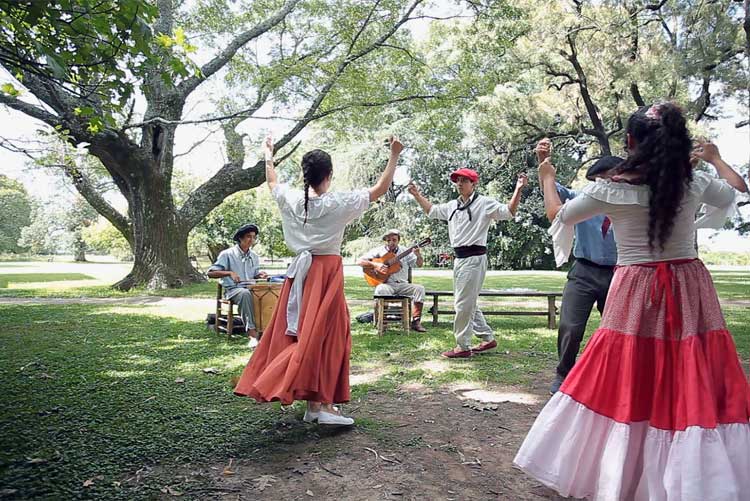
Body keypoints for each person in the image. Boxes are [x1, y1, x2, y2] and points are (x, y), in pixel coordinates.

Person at [515, 102, 750, 500]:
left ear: (629, 142)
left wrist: (546, 178)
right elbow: (735, 191)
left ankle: (624, 472)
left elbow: (559, 215)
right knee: (689, 369)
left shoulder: (611, 188)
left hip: (636, 288)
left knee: (627, 372)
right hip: (689, 285)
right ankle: (694, 477)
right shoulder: (692, 182)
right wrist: (716, 158)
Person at [234, 134, 404, 426]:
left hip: (300, 274)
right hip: (324, 272)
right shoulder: (336, 203)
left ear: (306, 175)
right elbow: (380, 189)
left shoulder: (294, 201)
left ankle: (317, 403)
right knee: (325, 336)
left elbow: (272, 182)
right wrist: (394, 155)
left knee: (308, 334)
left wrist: (268, 155)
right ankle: (318, 404)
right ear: (329, 174)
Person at [408, 168, 528, 358]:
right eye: (458, 181)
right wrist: (416, 195)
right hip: (459, 259)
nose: (460, 184)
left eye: (464, 180)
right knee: (468, 302)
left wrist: (518, 189)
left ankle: (463, 346)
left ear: (474, 184)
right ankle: (487, 338)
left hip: (474, 257)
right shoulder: (452, 206)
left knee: (463, 304)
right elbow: (431, 211)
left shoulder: (484, 203)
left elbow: (509, 212)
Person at [535, 138, 620, 394]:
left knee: (619, 330)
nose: (605, 183)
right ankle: (563, 374)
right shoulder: (583, 198)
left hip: (619, 274)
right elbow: (551, 192)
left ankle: (617, 376)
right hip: (583, 271)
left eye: (611, 178)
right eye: (600, 179)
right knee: (570, 326)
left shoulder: (630, 201)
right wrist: (543, 162)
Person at [207, 223, 268, 346]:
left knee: (267, 293)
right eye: (248, 237)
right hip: (233, 290)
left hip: (251, 288)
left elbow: (254, 274)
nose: (252, 240)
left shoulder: (254, 256)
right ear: (240, 238)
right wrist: (229, 273)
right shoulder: (227, 254)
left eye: (254, 237)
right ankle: (252, 333)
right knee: (244, 293)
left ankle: (265, 329)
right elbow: (210, 273)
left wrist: (259, 275)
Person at [358, 228, 427, 332]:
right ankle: (383, 321)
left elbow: (419, 264)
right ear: (385, 240)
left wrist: (418, 255)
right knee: (380, 290)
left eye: (394, 240)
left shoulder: (405, 251)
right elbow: (360, 261)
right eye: (388, 240)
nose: (391, 242)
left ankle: (416, 322)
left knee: (420, 289)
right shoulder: (378, 251)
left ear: (398, 240)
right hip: (387, 285)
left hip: (403, 285)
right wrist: (376, 264)